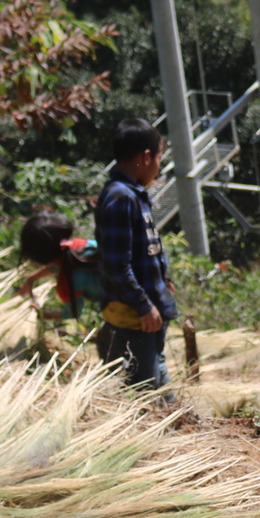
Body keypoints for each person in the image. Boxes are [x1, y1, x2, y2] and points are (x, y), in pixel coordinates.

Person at [94, 118, 176, 392]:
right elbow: (117, 264)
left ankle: (172, 421)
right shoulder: (121, 198)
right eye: (159, 157)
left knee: (159, 383)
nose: (159, 166)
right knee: (145, 392)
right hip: (135, 317)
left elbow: (144, 250)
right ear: (145, 157)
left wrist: (162, 280)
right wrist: (144, 305)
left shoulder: (133, 195)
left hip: (148, 314)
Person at [16, 210, 102, 321]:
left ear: (37, 258)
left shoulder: (67, 283)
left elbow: (74, 312)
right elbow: (63, 263)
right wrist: (32, 279)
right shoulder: (83, 245)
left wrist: (44, 315)